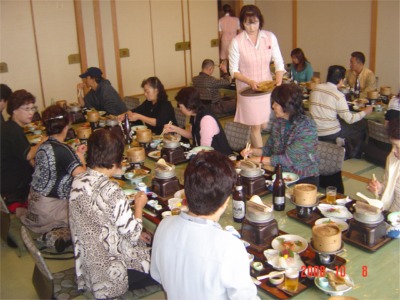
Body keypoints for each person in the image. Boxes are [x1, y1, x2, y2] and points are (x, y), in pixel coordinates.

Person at [151, 151, 259, 300]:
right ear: (226, 201)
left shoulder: (164, 225)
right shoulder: (230, 247)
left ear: (186, 194)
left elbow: (157, 275)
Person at [69, 129, 158, 299]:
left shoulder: (79, 180)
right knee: (167, 260)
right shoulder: (111, 190)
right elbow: (133, 234)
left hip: (89, 268)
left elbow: (99, 222)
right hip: (111, 275)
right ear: (116, 158)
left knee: (145, 243)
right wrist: (138, 206)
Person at [21, 105, 86, 251]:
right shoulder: (63, 150)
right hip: (49, 212)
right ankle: (59, 234)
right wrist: (81, 158)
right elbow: (84, 179)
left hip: (34, 206)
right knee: (90, 211)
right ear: (66, 126)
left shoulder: (43, 144)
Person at [229, 4, 285, 148]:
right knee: (255, 126)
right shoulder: (237, 42)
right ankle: (261, 159)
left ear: (260, 21)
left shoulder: (269, 37)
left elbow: (278, 61)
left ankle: (250, 148)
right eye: (248, 23)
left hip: (266, 88)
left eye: (255, 23)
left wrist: (278, 80)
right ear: (242, 23)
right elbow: (233, 71)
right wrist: (249, 81)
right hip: (248, 91)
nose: (252, 27)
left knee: (264, 124)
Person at [241, 84, 319, 186]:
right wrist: (253, 150)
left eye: (276, 103)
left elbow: (288, 159)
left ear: (287, 105)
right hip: (282, 175)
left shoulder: (307, 127)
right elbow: (269, 149)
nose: (273, 106)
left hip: (304, 178)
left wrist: (257, 160)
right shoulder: (279, 122)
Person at [310, 65, 373, 158]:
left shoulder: (315, 89)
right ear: (341, 80)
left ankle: (341, 142)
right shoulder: (338, 95)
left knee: (341, 121)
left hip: (314, 130)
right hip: (330, 132)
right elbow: (350, 119)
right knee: (362, 125)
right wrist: (366, 112)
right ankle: (352, 153)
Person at [0, 90, 46, 213]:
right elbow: (28, 155)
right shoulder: (12, 130)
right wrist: (44, 141)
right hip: (13, 187)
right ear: (14, 110)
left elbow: (26, 156)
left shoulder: (11, 126)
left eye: (33, 108)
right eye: (27, 109)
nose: (31, 112)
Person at [163, 87, 232, 155]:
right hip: (206, 155)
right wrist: (174, 128)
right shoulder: (195, 114)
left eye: (181, 107)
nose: (180, 109)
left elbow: (204, 149)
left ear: (189, 106)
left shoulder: (206, 120)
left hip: (218, 158)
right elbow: (192, 135)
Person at [368, 118, 400, 212]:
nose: (393, 150)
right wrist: (380, 188)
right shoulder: (393, 158)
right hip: (392, 215)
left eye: (397, 147)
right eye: (392, 145)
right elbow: (389, 188)